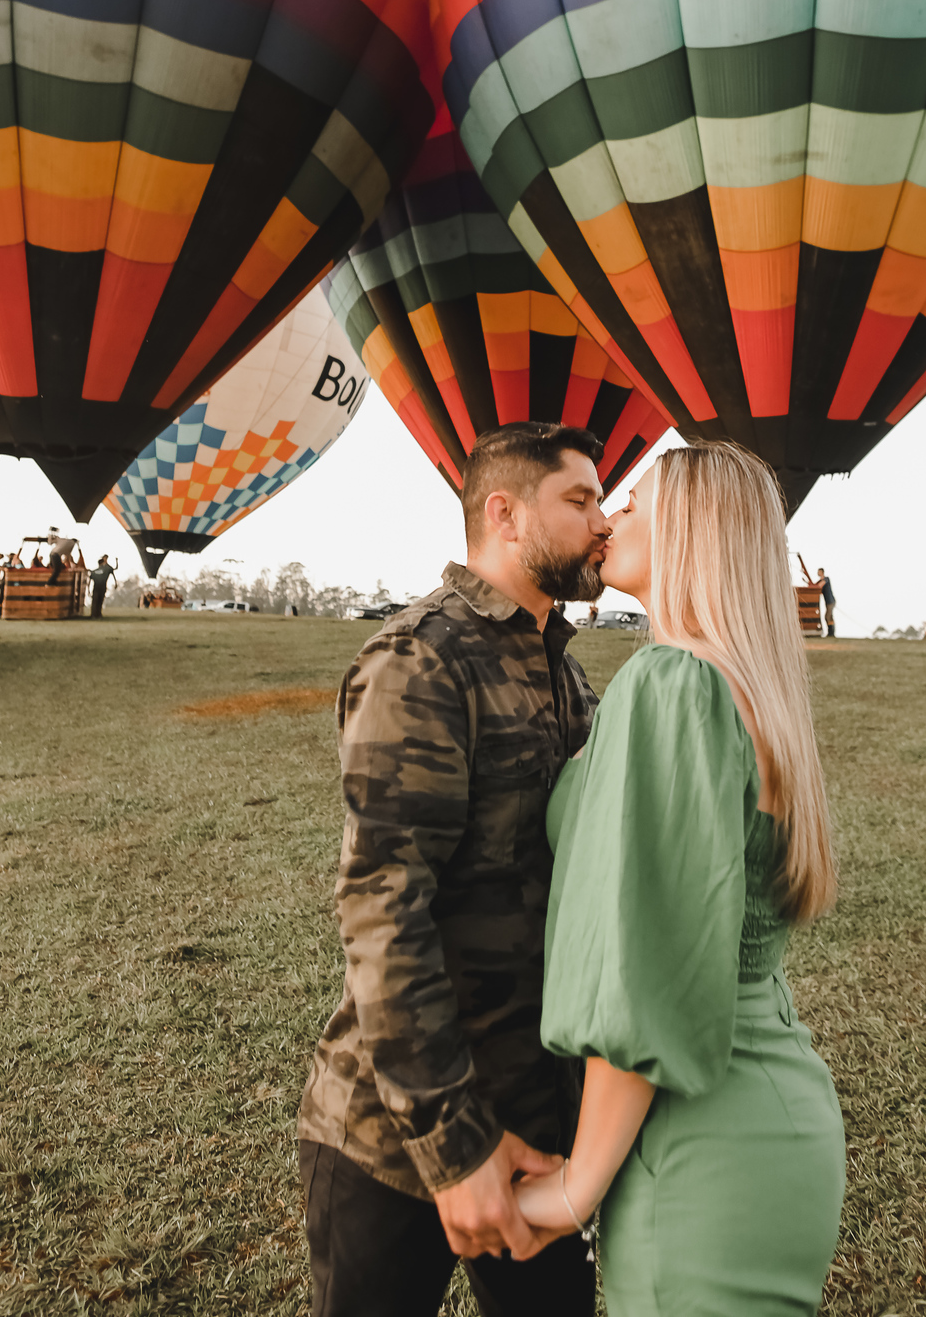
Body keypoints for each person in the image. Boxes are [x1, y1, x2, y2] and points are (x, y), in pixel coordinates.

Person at [515, 442, 846, 1315]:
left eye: (633, 501)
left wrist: (578, 1184)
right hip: (774, 1107)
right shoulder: (751, 689)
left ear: (692, 528)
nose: (610, 517)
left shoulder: (675, 686)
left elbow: (650, 964)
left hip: (696, 1140)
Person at [297, 421, 612, 1317]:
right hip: (398, 1145)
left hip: (540, 1121)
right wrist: (453, 1146)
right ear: (505, 514)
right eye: (580, 499)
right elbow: (383, 907)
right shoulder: (424, 659)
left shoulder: (568, 677)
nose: (603, 522)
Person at [817, 566, 836, 636]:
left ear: (822, 572)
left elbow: (819, 586)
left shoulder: (826, 579)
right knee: (828, 616)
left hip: (831, 601)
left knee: (828, 616)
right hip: (827, 602)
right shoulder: (821, 580)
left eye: (819, 572)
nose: (818, 573)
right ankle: (830, 632)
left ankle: (831, 632)